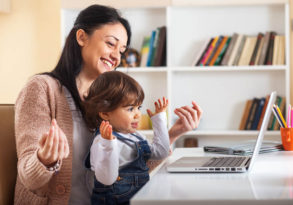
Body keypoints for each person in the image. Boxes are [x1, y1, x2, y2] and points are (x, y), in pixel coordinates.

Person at [13, 4, 202, 205]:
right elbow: (29, 178)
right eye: (111, 44)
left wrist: (172, 134)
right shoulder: (42, 89)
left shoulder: (108, 100)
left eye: (121, 50)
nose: (116, 57)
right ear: (81, 37)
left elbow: (130, 172)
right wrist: (45, 159)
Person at [83, 71, 170, 204]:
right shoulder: (101, 142)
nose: (138, 115)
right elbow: (107, 179)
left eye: (138, 107)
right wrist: (108, 145)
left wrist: (159, 119)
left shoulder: (136, 136)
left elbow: (161, 152)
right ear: (105, 113)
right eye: (130, 109)